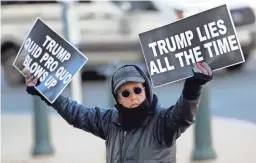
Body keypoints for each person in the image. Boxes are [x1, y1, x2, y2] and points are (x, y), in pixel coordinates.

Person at [25, 62, 213, 163]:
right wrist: (45, 91)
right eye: (125, 93)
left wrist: (193, 85)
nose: (133, 96)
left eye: (137, 90)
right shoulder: (110, 121)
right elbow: (75, 113)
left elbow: (183, 115)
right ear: (118, 98)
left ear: (146, 90)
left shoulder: (162, 122)